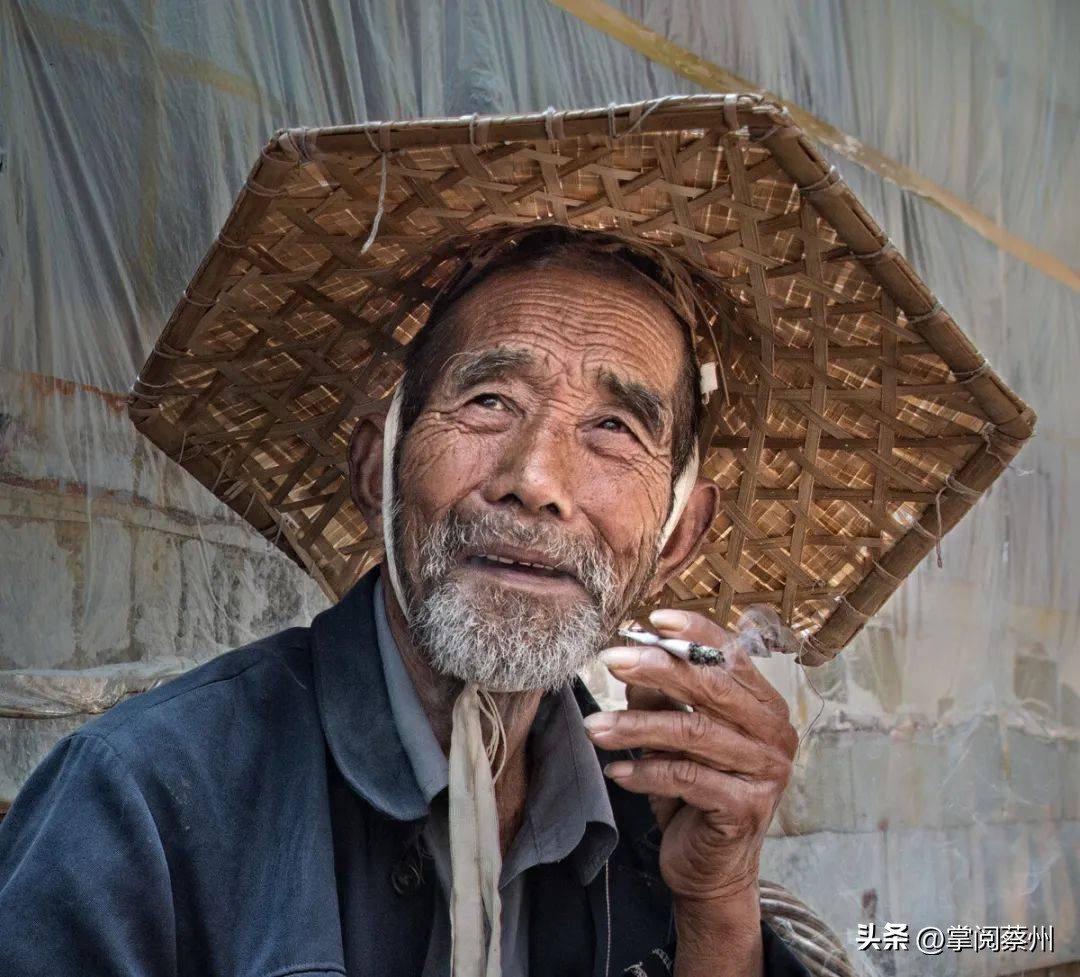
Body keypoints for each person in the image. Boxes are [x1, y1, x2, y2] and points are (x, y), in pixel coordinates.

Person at [0, 229, 808, 976]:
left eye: (614, 427)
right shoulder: (140, 799)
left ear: (675, 537)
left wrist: (716, 909)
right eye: (490, 400)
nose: (535, 481)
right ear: (377, 470)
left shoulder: (656, 823)